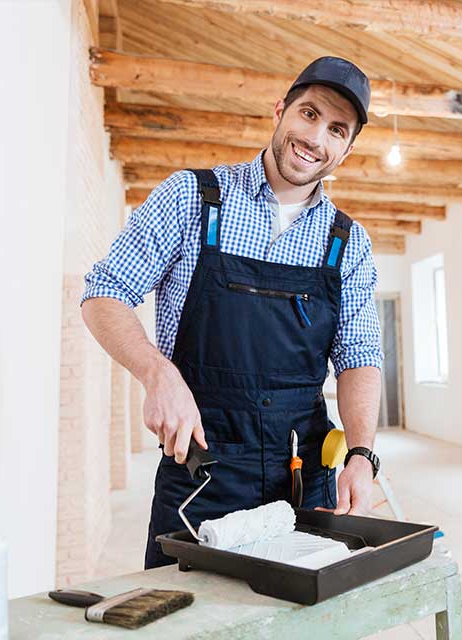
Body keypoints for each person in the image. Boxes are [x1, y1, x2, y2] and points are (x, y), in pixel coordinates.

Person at [81, 56, 384, 568]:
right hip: (200, 472)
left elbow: (360, 355)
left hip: (301, 477)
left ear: (347, 148)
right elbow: (103, 292)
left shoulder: (347, 242)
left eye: (336, 129)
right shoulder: (191, 199)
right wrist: (158, 373)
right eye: (308, 114)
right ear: (279, 111)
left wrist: (361, 455)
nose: (316, 138)